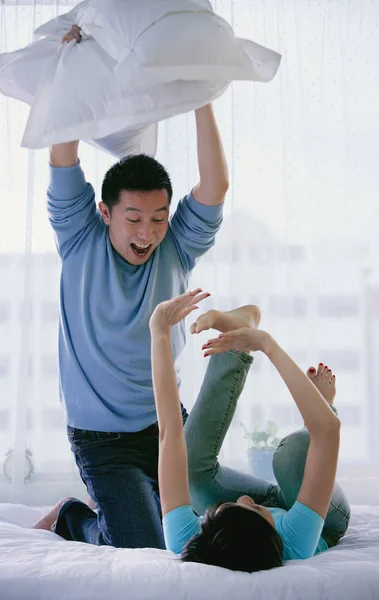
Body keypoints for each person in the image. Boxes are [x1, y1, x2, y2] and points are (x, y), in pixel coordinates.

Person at [34, 22, 229, 549]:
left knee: (211, 536)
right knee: (144, 547)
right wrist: (72, 69)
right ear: (105, 212)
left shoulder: (177, 247)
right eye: (134, 219)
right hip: (102, 440)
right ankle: (73, 518)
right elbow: (63, 156)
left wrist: (199, 96)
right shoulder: (79, 237)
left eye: (159, 218)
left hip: (167, 423)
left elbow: (215, 186)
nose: (147, 233)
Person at [149, 290, 351, 571]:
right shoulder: (296, 540)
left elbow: (169, 434)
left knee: (191, 469)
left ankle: (235, 344)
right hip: (326, 520)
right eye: (254, 507)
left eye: (223, 507)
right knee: (290, 456)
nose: (244, 498)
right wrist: (267, 344)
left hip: (273, 509)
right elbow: (329, 432)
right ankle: (320, 405)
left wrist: (158, 332)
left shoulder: (187, 539)